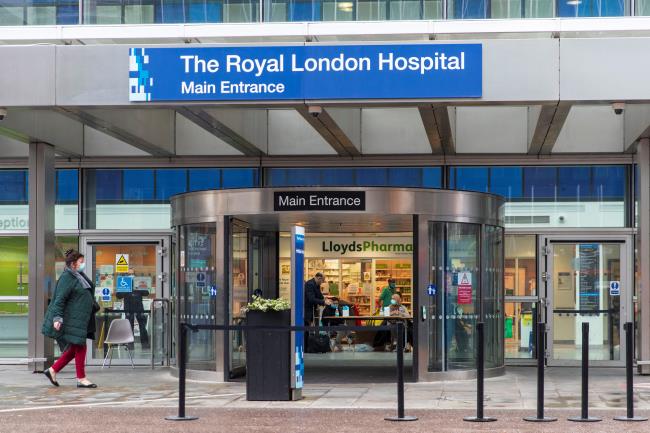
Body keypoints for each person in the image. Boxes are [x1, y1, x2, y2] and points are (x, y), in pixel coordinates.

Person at [41, 249, 99, 388]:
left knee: (75, 347)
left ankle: (53, 370)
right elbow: (59, 300)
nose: (83, 264)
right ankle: (81, 378)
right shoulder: (67, 277)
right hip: (72, 319)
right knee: (80, 346)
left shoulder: (78, 276)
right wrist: (57, 319)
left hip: (80, 319)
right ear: (73, 264)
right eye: (81, 262)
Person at [116, 274, 150, 350]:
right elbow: (118, 295)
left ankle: (144, 344)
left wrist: (140, 286)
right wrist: (125, 289)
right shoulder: (125, 286)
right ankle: (131, 344)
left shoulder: (138, 286)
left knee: (142, 326)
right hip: (129, 308)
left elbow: (146, 293)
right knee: (130, 326)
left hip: (138, 308)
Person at [304, 272, 331, 349]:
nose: (322, 283)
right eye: (322, 281)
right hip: (307, 309)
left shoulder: (316, 284)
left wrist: (325, 299)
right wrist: (323, 302)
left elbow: (319, 295)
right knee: (306, 328)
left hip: (312, 310)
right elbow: (311, 299)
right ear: (319, 278)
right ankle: (305, 347)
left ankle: (310, 346)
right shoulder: (310, 284)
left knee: (310, 328)